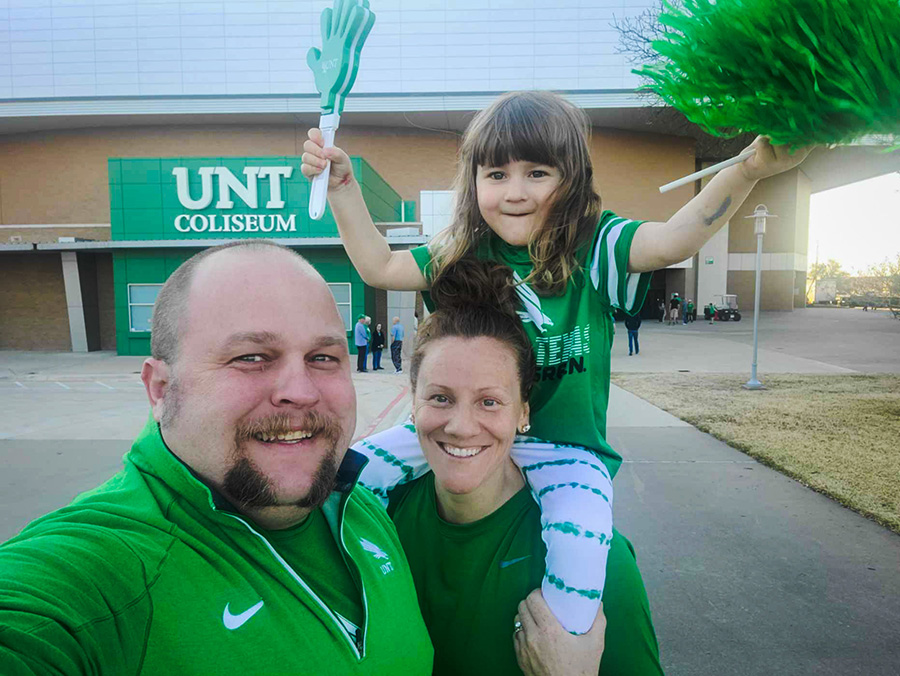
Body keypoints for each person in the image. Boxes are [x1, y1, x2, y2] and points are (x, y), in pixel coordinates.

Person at [302, 90, 811, 633]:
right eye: (495, 175)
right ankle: (331, 611)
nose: (514, 193)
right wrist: (343, 189)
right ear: (473, 184)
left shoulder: (595, 247)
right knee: (342, 475)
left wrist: (748, 172)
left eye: (537, 173)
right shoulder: (460, 253)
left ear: (570, 179)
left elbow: (669, 244)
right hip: (465, 428)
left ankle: (565, 646)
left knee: (583, 540)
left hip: (568, 450)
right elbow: (380, 265)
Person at [0, 241, 433, 675]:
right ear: (161, 388)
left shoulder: (359, 505)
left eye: (323, 357)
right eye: (251, 357)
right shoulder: (101, 572)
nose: (301, 391)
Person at [375, 260, 663, 675]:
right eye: (440, 398)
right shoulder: (372, 525)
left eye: (489, 402)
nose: (459, 427)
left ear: (523, 413)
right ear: (412, 400)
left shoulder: (598, 565)